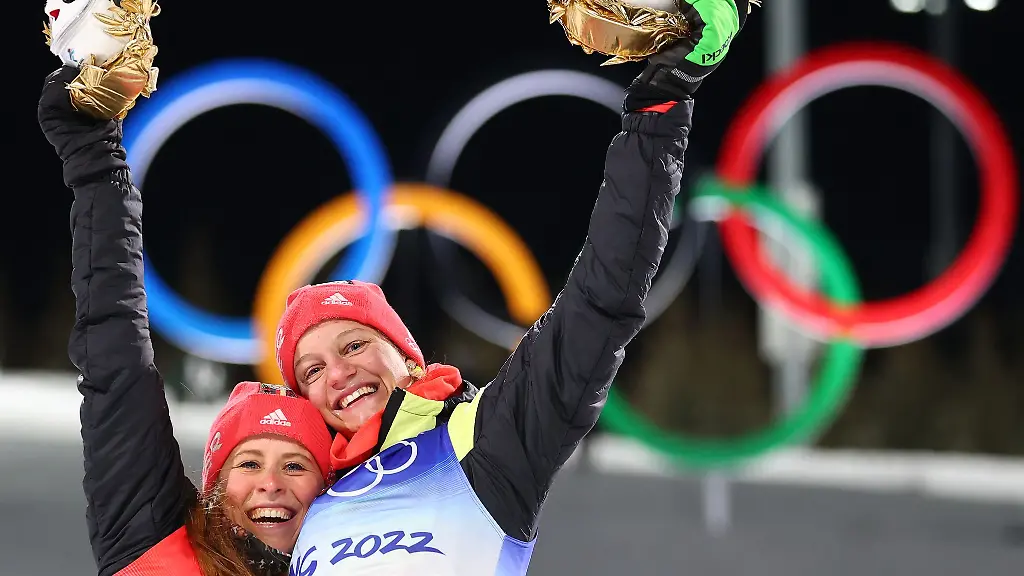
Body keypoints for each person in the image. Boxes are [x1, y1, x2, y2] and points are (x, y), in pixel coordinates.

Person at [277, 2, 755, 574]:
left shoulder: (485, 438)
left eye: (354, 345)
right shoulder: (291, 499)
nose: (337, 373)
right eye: (311, 371)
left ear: (406, 356)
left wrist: (661, 105)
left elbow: (602, 299)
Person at [37, 59, 335, 576]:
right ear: (215, 484)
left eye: (295, 465)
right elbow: (116, 358)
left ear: (330, 488)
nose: (271, 482)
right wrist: (94, 159)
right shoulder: (151, 537)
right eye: (248, 463)